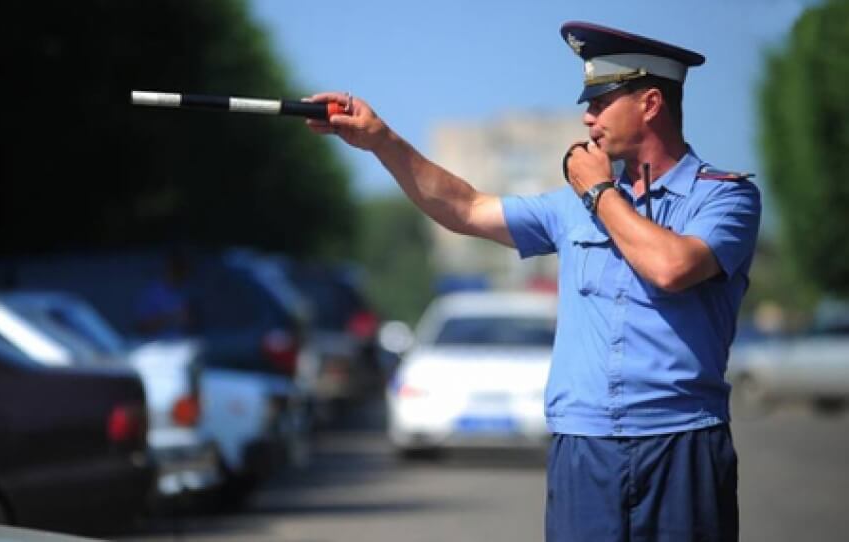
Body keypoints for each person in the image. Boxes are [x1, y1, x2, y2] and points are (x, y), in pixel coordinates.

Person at [306, 21, 760, 542]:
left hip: (682, 443)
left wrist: (597, 195)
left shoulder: (723, 198)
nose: (588, 118)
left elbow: (671, 267)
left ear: (651, 103)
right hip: (584, 447)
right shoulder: (573, 205)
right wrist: (379, 141)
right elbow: (465, 207)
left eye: (602, 100)